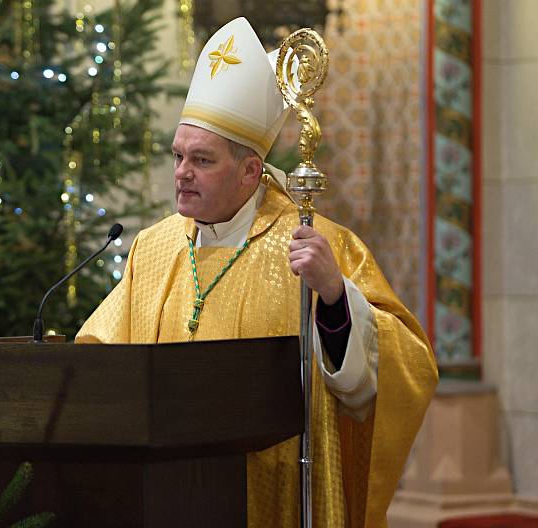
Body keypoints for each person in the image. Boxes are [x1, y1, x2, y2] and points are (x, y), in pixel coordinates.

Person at [76, 17, 437, 528]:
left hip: (276, 491)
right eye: (178, 156)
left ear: (251, 171)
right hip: (164, 495)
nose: (181, 172)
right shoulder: (153, 249)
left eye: (201, 160)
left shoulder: (314, 244)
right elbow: (99, 355)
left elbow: (410, 368)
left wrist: (334, 296)